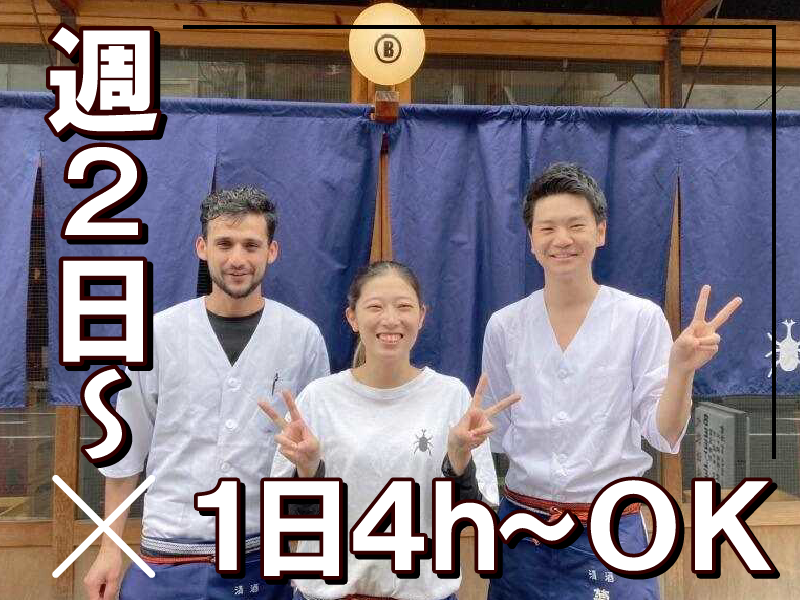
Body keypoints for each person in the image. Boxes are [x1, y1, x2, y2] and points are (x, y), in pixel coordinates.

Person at [483, 163, 741, 600]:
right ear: (531, 239)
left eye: (576, 225)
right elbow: (500, 432)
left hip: (611, 530)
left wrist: (682, 370)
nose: (561, 239)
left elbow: (664, 433)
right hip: (522, 532)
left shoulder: (639, 319)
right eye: (547, 228)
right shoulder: (505, 326)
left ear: (600, 232)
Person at [84, 186, 330, 600]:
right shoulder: (158, 334)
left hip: (262, 550)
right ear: (202, 248)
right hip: (168, 549)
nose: (237, 259)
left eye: (251, 245)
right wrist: (110, 549)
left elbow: (314, 457)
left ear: (271, 251)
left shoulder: (302, 338)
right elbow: (127, 448)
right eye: (224, 244)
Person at [263, 260, 520, 600]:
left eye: (403, 307)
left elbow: (468, 519)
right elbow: (293, 522)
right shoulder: (318, 399)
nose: (390, 319)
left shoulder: (451, 396)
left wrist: (458, 459)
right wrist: (309, 470)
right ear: (352, 318)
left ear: (421, 316)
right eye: (375, 307)